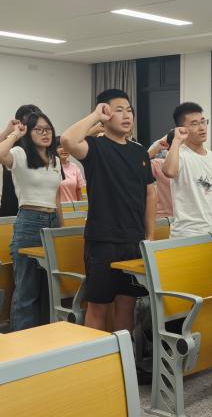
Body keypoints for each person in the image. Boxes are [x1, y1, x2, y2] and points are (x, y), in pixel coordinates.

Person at [61, 90, 156, 333]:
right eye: (118, 110)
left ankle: (125, 355)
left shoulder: (139, 152)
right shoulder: (95, 147)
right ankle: (96, 355)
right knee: (98, 307)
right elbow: (68, 140)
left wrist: (150, 236)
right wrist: (95, 115)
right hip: (103, 241)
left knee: (127, 305)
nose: (127, 115)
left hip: (133, 241)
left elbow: (150, 194)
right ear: (105, 114)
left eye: (129, 111)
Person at [0, 112, 64, 330]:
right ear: (28, 132)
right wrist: (14, 133)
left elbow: (57, 197)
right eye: (38, 129)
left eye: (48, 129)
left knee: (49, 287)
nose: (45, 133)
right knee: (27, 287)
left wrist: (61, 227)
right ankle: (21, 339)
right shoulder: (19, 154)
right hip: (30, 220)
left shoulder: (55, 159)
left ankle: (44, 334)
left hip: (52, 220)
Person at [163, 102, 212, 238]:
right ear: (182, 129)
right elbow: (169, 172)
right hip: (185, 233)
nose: (202, 127)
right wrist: (176, 140)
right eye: (194, 123)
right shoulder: (179, 154)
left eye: (203, 122)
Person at [0, 104, 41, 217]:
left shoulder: (44, 147)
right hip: (11, 207)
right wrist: (9, 131)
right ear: (20, 123)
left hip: (38, 209)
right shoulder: (11, 143)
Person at [146, 131, 175, 218]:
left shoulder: (197, 165)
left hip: (189, 219)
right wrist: (156, 148)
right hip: (163, 218)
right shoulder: (159, 164)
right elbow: (135, 165)